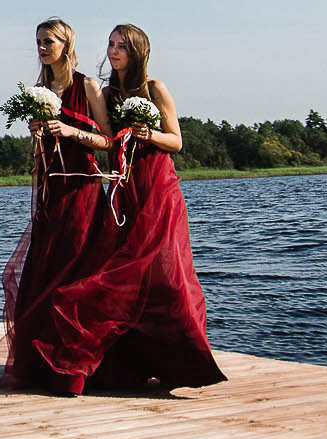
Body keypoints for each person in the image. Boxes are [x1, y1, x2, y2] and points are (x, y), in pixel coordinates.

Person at [16, 25, 226, 394]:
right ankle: (124, 365)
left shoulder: (155, 88)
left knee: (166, 276)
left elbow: (176, 141)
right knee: (122, 277)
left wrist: (149, 134)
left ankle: (183, 364)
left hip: (157, 188)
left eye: (121, 46)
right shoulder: (108, 93)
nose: (113, 51)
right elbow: (108, 140)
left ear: (138, 51)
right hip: (122, 190)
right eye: (111, 45)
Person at [2, 16, 112, 392]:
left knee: (78, 274)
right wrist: (37, 133)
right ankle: (45, 364)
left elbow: (108, 140)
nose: (42, 48)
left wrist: (70, 131)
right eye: (38, 41)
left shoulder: (87, 85)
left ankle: (79, 367)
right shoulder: (38, 90)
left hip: (82, 189)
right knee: (45, 274)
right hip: (51, 190)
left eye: (49, 41)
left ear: (66, 44)